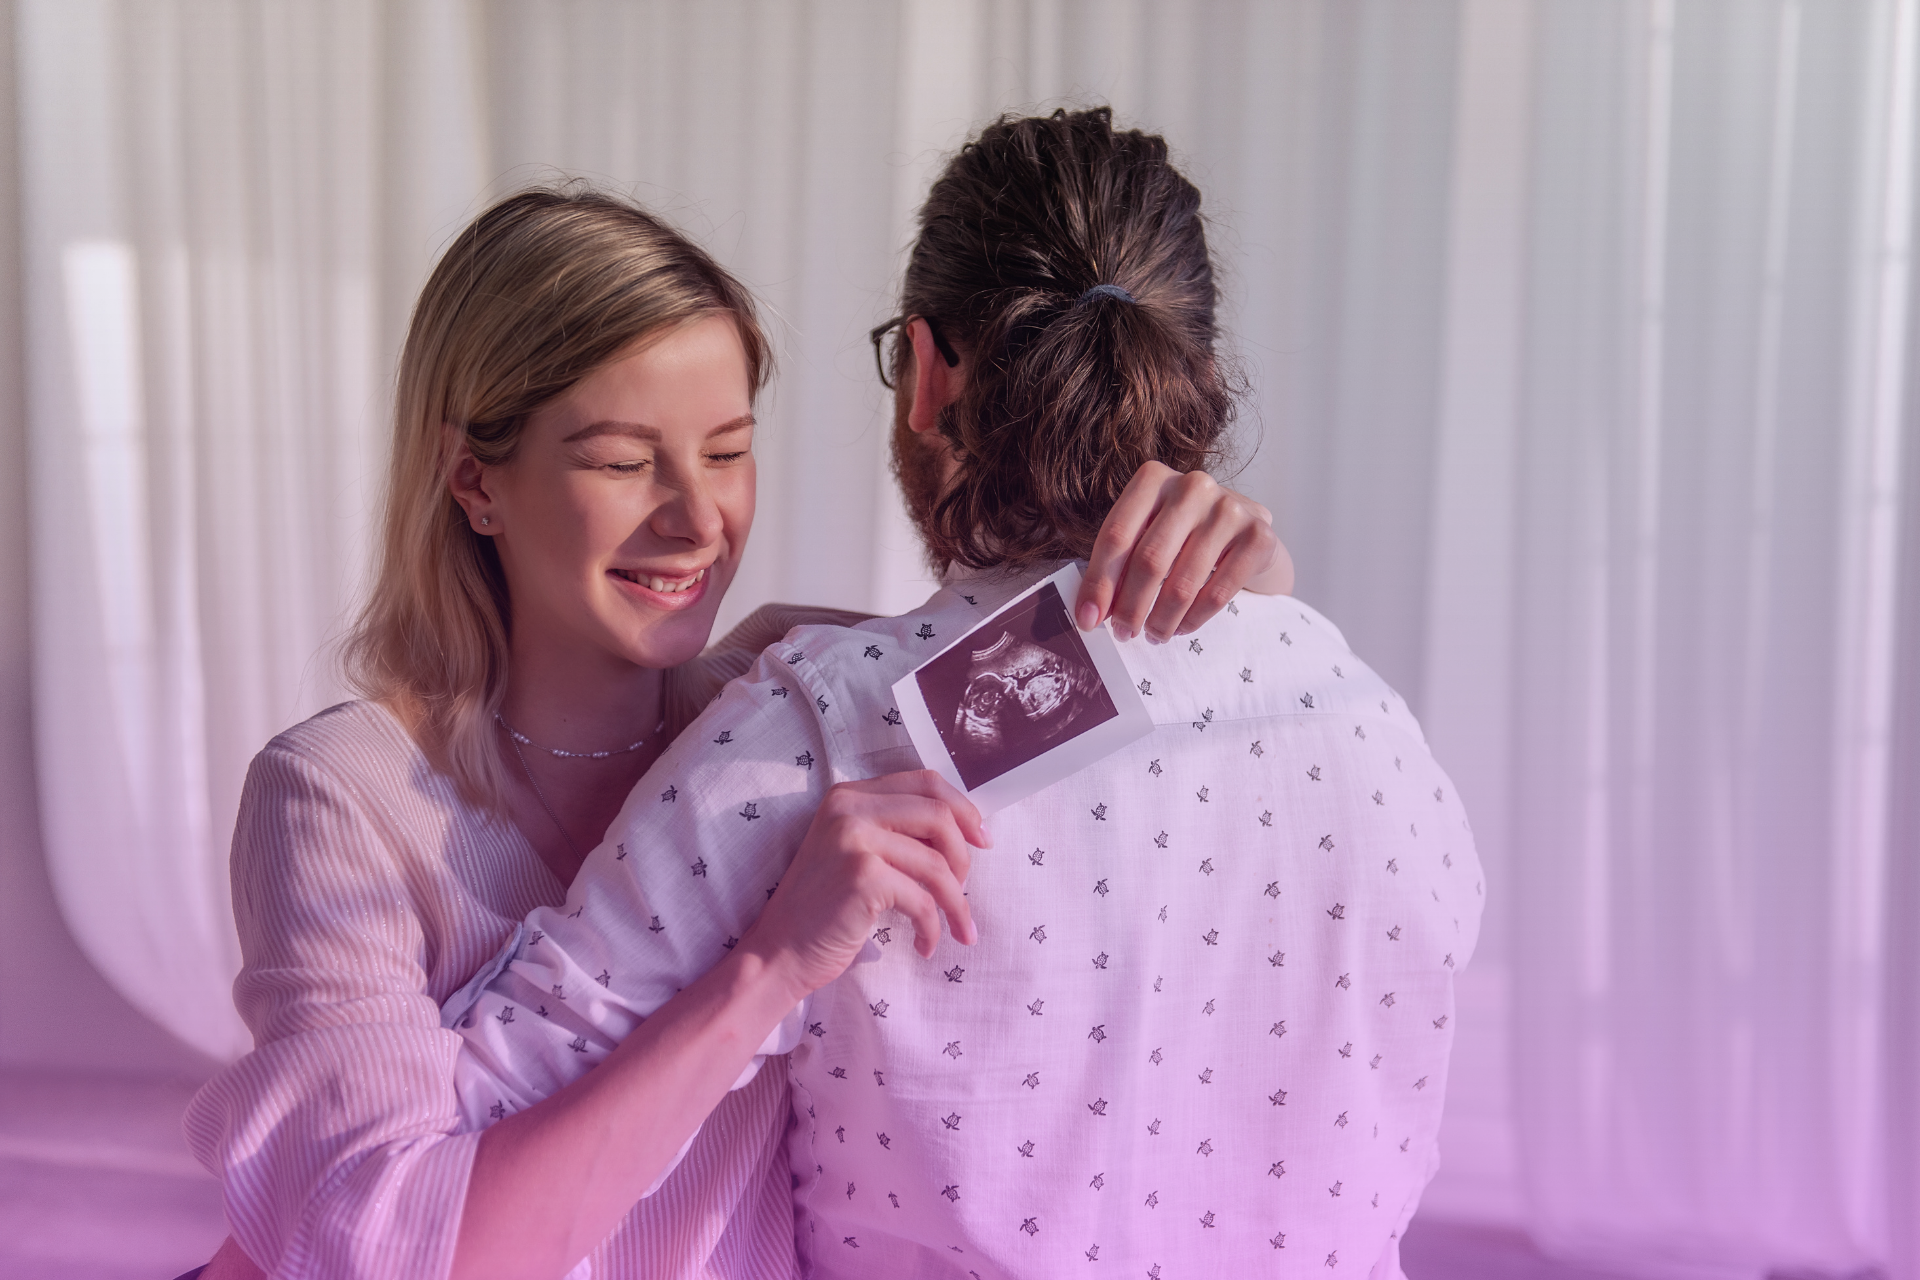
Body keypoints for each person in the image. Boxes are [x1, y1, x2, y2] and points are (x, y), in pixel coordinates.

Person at [441, 108, 1483, 1279]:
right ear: (1190, 372)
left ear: (930, 373)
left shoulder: (817, 737)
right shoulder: (1371, 724)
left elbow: (440, 1176)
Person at [181, 184, 1289, 1280]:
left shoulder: (784, 709)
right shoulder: (334, 796)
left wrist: (1231, 554)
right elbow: (389, 1247)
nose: (697, 516)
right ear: (475, 479)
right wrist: (764, 969)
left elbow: (1097, 661)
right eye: (622, 460)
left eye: (725, 450)